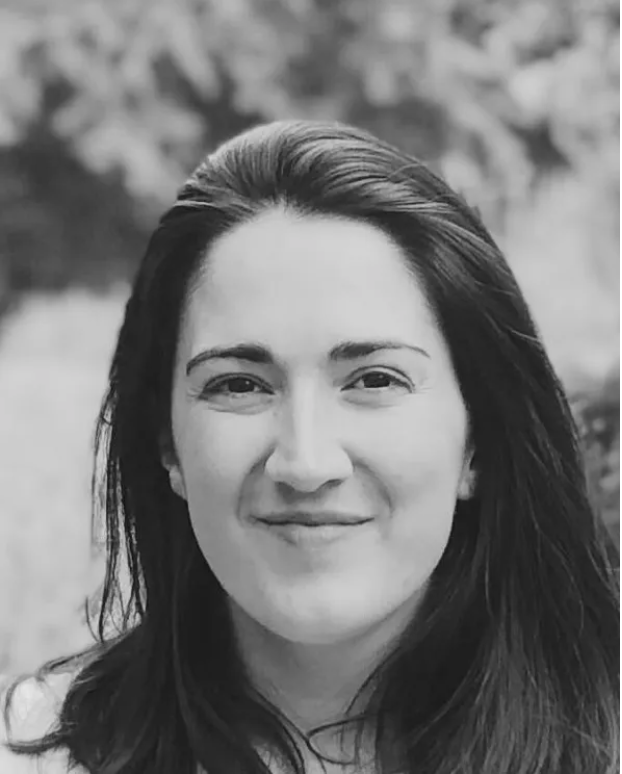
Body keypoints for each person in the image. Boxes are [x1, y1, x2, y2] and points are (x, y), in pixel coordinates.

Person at [1, 120, 618, 774]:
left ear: (479, 442)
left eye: (375, 379)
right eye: (238, 385)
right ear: (168, 444)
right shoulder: (42, 754)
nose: (305, 462)